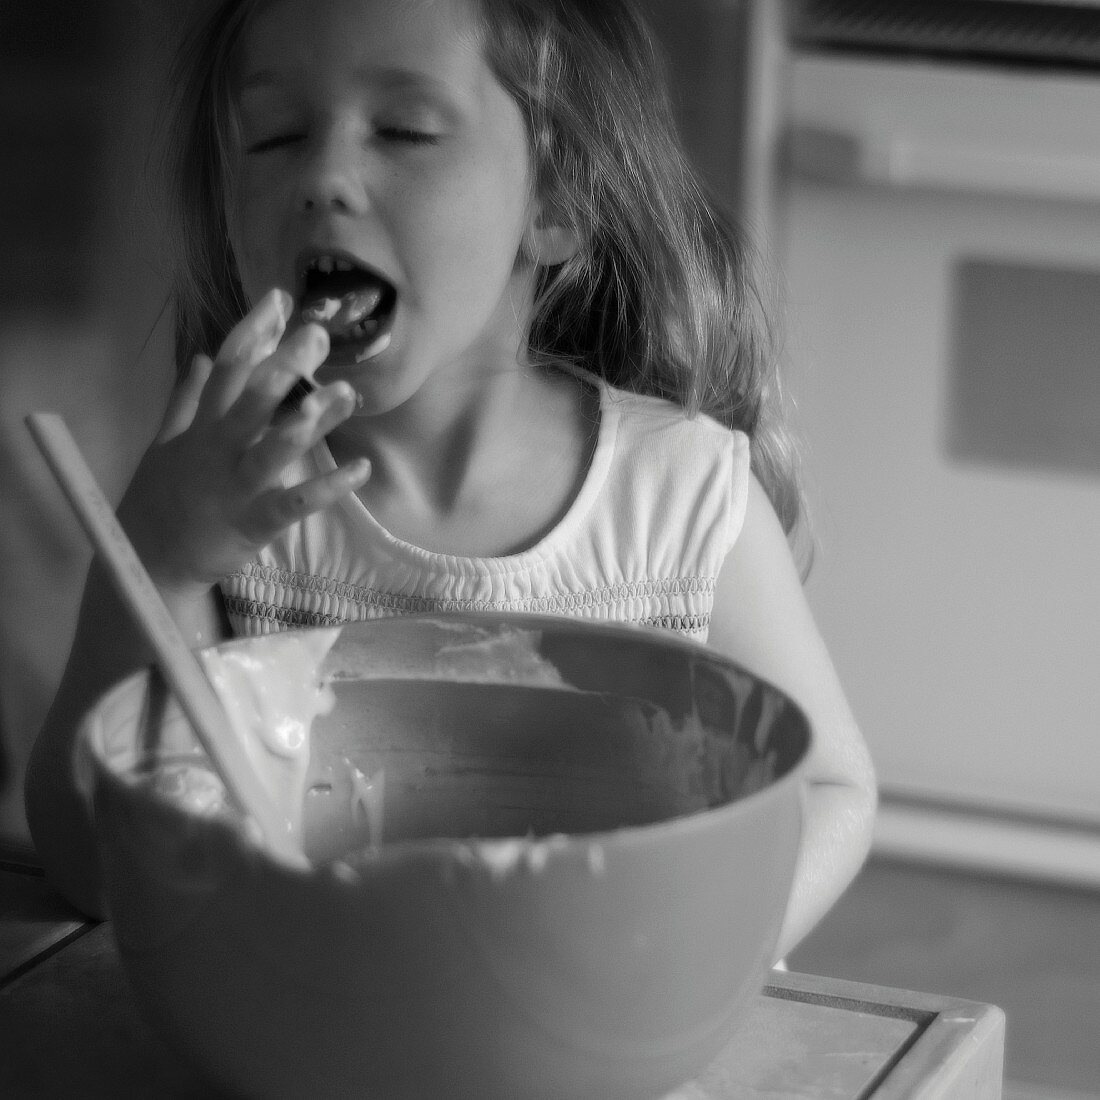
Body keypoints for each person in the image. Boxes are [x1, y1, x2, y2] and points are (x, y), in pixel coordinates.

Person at [26, 0, 876, 954]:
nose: (324, 177)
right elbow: (96, 865)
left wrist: (700, 961)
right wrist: (161, 562)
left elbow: (832, 794)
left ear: (559, 199)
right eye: (274, 137)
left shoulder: (679, 502)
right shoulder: (228, 503)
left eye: (405, 131)